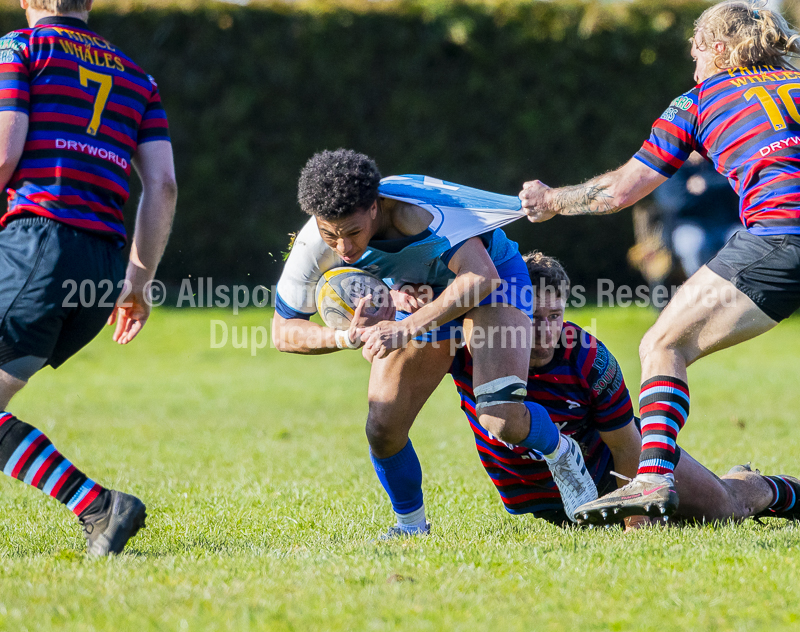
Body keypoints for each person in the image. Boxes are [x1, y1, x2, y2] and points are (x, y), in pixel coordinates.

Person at [519, 0, 800, 525]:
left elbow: (621, 191)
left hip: (781, 236)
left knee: (662, 344)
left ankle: (650, 478)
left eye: (696, 52)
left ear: (718, 49)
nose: (693, 65)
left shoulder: (700, 100)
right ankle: (774, 493)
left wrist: (554, 200)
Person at [273, 149, 597, 536]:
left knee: (500, 416)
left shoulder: (421, 212)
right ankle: (411, 527)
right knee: (383, 426)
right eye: (331, 234)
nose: (342, 248)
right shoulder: (314, 243)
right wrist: (347, 335)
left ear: (375, 207)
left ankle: (562, 453)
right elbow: (284, 330)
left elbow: (480, 277)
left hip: (492, 278)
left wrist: (404, 328)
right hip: (424, 296)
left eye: (353, 233)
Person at [0, 0, 177, 555]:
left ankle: (99, 506)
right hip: (99, 271)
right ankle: (99, 508)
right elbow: (163, 185)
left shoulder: (20, 48)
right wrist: (139, 281)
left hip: (38, 246)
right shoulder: (137, 77)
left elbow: (5, 151)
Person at [450, 252, 799, 527]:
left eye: (554, 316)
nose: (545, 330)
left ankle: (771, 488)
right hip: (543, 497)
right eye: (533, 317)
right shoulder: (477, 348)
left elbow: (626, 443)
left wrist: (638, 520)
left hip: (613, 473)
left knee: (727, 509)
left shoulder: (587, 357)